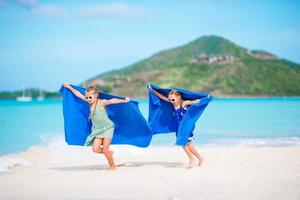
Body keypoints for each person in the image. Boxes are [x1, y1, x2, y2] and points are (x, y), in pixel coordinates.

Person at [63, 83, 130, 170]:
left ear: (96, 95)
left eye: (90, 97)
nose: (88, 99)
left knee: (105, 150)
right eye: (87, 97)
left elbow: (112, 101)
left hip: (108, 128)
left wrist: (124, 100)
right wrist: (69, 87)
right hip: (98, 130)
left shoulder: (102, 102)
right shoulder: (89, 102)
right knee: (95, 149)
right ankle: (109, 153)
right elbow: (78, 94)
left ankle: (112, 166)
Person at [149, 84, 204, 168]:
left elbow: (195, 101)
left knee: (183, 143)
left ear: (178, 97)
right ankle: (200, 158)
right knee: (188, 145)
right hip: (178, 128)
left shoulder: (184, 103)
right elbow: (162, 97)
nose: (171, 101)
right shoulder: (173, 104)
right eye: (170, 99)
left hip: (185, 128)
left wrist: (203, 99)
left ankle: (191, 158)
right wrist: (153, 90)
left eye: (173, 99)